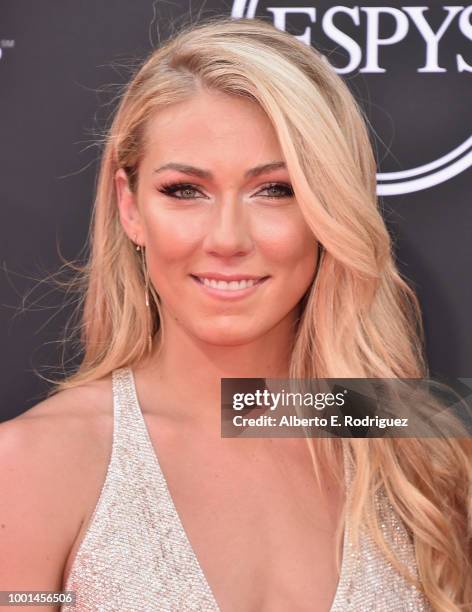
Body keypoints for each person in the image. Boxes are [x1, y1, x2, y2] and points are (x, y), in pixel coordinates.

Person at [1, 15, 470, 612]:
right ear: (130, 206)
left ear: (331, 210)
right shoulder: (30, 466)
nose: (227, 238)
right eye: (184, 190)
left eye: (275, 189)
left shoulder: (418, 457)